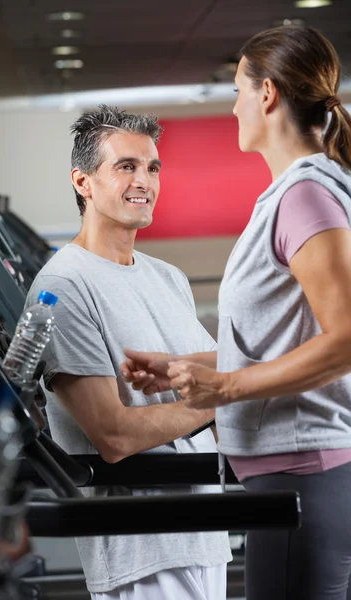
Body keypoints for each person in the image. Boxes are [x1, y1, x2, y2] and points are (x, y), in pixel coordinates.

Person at [122, 25, 351, 600]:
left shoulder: (306, 195)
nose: (234, 107)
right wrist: (187, 366)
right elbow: (284, 337)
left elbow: (347, 339)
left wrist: (225, 386)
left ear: (267, 94)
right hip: (293, 472)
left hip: (306, 473)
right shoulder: (293, 194)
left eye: (237, 91)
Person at [25, 105, 231, 600]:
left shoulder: (168, 277)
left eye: (152, 167)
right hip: (141, 551)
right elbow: (113, 435)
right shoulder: (63, 285)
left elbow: (222, 377)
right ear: (83, 181)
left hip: (206, 531)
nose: (145, 180)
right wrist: (222, 394)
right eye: (126, 166)